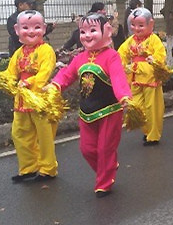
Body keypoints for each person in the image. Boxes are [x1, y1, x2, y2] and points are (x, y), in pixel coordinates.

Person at [50, 13, 132, 197]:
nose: (87, 35)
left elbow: (119, 79)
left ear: (107, 31)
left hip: (109, 110)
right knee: (86, 149)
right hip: (86, 112)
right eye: (83, 31)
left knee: (104, 149)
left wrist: (124, 97)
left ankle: (104, 182)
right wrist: (54, 85)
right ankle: (109, 166)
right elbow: (67, 75)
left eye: (93, 30)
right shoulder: (80, 58)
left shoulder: (112, 57)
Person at [5, 10, 58, 183]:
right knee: (19, 133)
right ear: (17, 29)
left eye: (36, 27)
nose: (31, 31)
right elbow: (11, 73)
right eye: (25, 27)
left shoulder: (46, 50)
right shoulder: (19, 52)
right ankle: (28, 167)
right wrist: (5, 80)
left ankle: (47, 168)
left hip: (40, 99)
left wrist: (30, 82)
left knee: (44, 135)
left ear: (43, 28)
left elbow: (45, 72)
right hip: (21, 99)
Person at [118, 8, 166, 146]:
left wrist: (153, 60)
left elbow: (160, 55)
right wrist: (120, 67)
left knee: (153, 107)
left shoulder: (154, 40)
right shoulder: (130, 41)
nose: (136, 28)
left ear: (150, 24)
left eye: (140, 25)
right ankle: (146, 130)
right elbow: (121, 54)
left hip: (150, 78)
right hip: (135, 78)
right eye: (133, 25)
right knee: (137, 106)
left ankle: (153, 134)